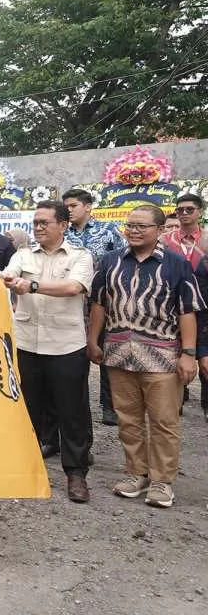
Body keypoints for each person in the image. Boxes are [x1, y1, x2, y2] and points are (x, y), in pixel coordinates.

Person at [89, 204, 206, 508]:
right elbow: (99, 304)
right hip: (119, 354)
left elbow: (187, 311)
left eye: (142, 226)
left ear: (158, 230)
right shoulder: (111, 261)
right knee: (128, 419)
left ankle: (162, 481)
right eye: (130, 225)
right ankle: (135, 473)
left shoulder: (176, 264)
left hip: (162, 356)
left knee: (164, 421)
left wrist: (189, 354)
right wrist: (93, 340)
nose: (134, 230)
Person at [2, 200, 95, 503]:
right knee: (30, 407)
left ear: (63, 225)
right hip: (28, 343)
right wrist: (7, 280)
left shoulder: (81, 256)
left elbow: (73, 288)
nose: (39, 227)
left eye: (45, 222)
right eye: (36, 222)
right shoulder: (22, 254)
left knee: (72, 411)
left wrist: (29, 286)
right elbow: (7, 275)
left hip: (66, 344)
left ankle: (76, 472)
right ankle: (28, 466)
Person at [64, 187, 127, 427]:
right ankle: (74, 405)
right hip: (70, 302)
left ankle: (109, 406)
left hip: (104, 302)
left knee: (105, 352)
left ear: (88, 206)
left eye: (73, 206)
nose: (69, 210)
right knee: (74, 354)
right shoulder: (63, 233)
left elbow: (122, 261)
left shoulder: (109, 231)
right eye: (66, 207)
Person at [164, 195, 208, 421]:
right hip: (175, 311)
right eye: (179, 210)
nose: (183, 213)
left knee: (206, 365)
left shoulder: (207, 239)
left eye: (189, 209)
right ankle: (174, 406)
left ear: (200, 211)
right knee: (175, 360)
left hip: (206, 312)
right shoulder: (164, 240)